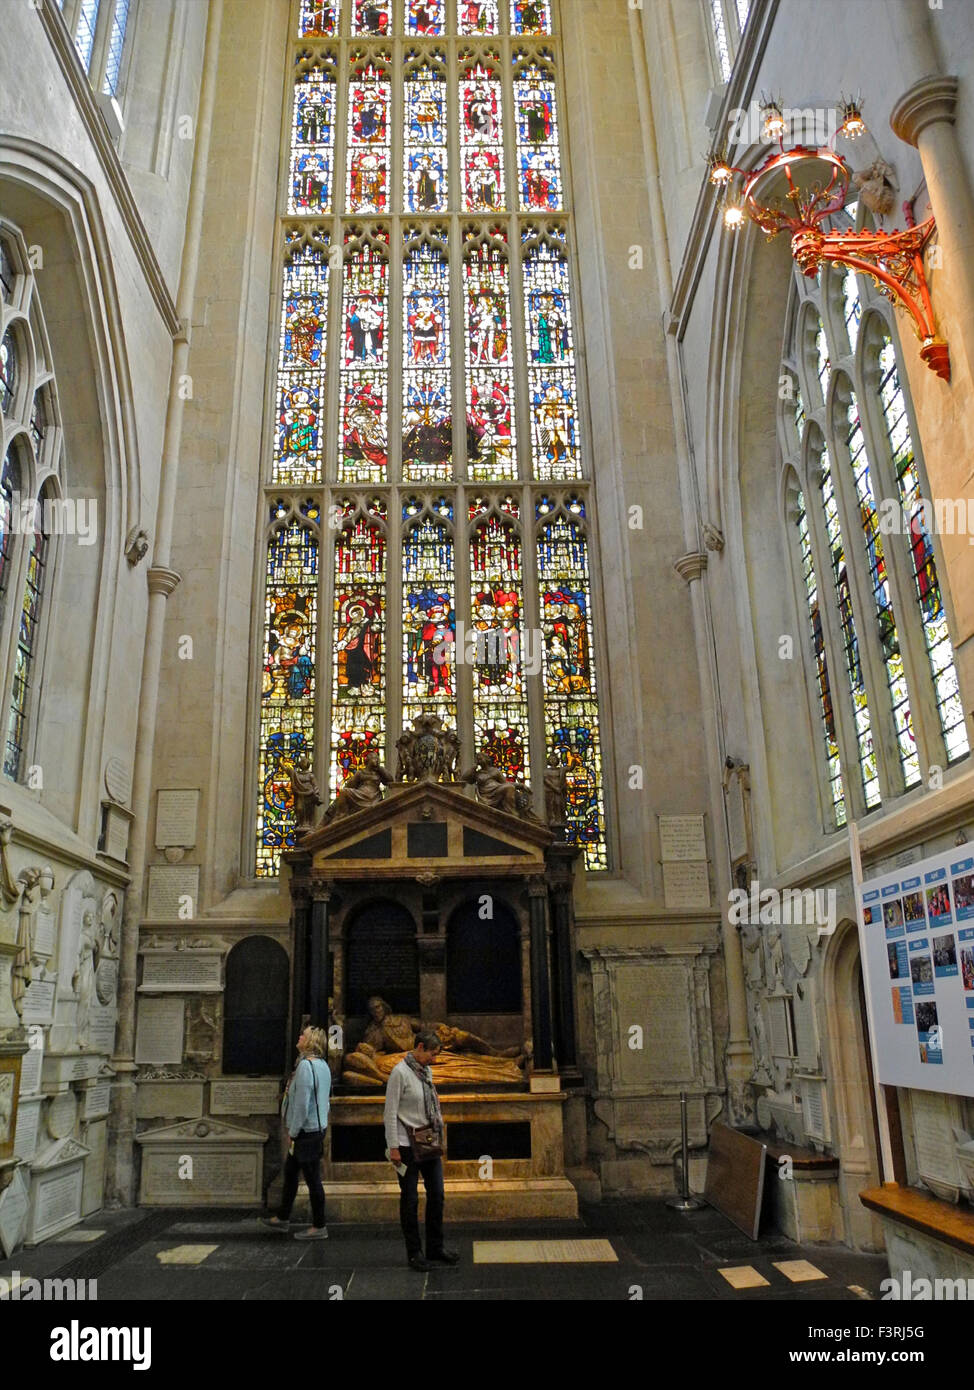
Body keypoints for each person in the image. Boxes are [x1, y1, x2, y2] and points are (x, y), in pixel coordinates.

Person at [384, 1031, 459, 1271]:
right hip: (406, 1145)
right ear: (419, 1047)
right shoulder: (399, 1073)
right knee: (410, 1199)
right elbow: (389, 1112)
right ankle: (414, 1252)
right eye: (432, 1054)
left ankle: (435, 1247)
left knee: (437, 1194)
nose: (434, 1060)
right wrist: (393, 1146)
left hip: (427, 1140)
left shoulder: (425, 1072)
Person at [261, 1025, 331, 1239]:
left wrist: (293, 1129)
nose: (299, 1037)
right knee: (291, 1174)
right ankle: (283, 1217)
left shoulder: (305, 1068)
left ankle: (319, 1226)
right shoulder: (323, 1065)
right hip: (316, 1128)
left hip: (305, 1131)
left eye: (304, 1035)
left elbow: (302, 1103)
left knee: (312, 1179)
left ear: (310, 1042)